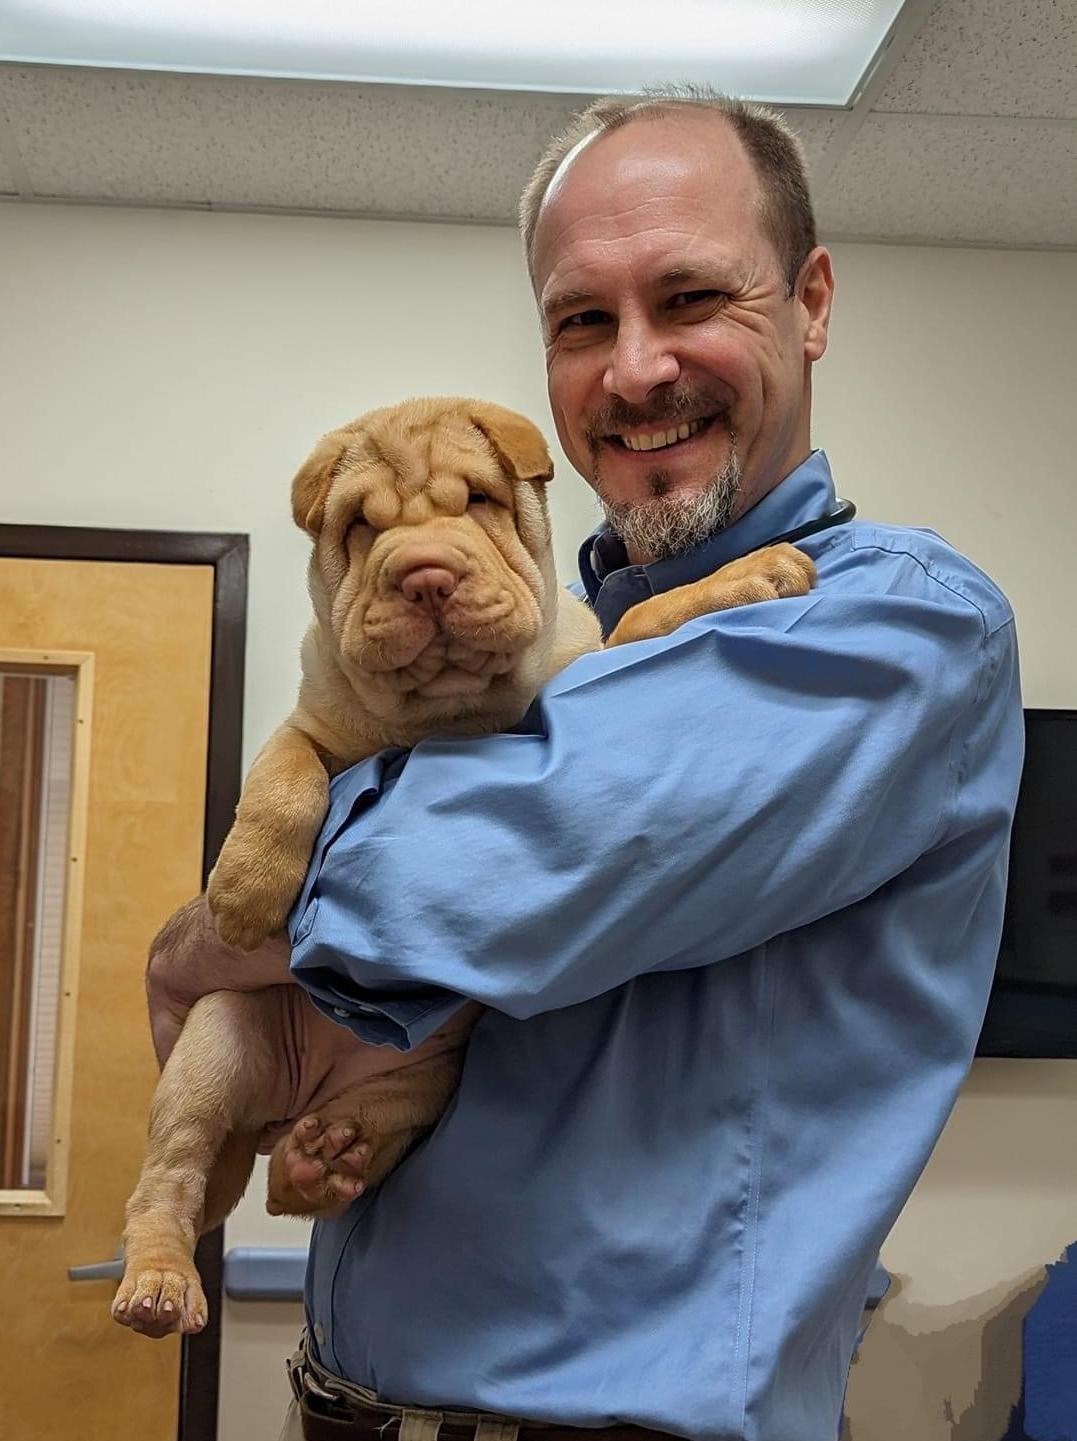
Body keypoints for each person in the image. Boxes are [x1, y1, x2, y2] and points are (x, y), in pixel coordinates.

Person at [151, 87, 1024, 1441]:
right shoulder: (568, 657)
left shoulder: (892, 625)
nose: (632, 370)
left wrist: (196, 945)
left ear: (810, 304)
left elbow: (473, 879)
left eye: (689, 297)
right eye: (579, 320)